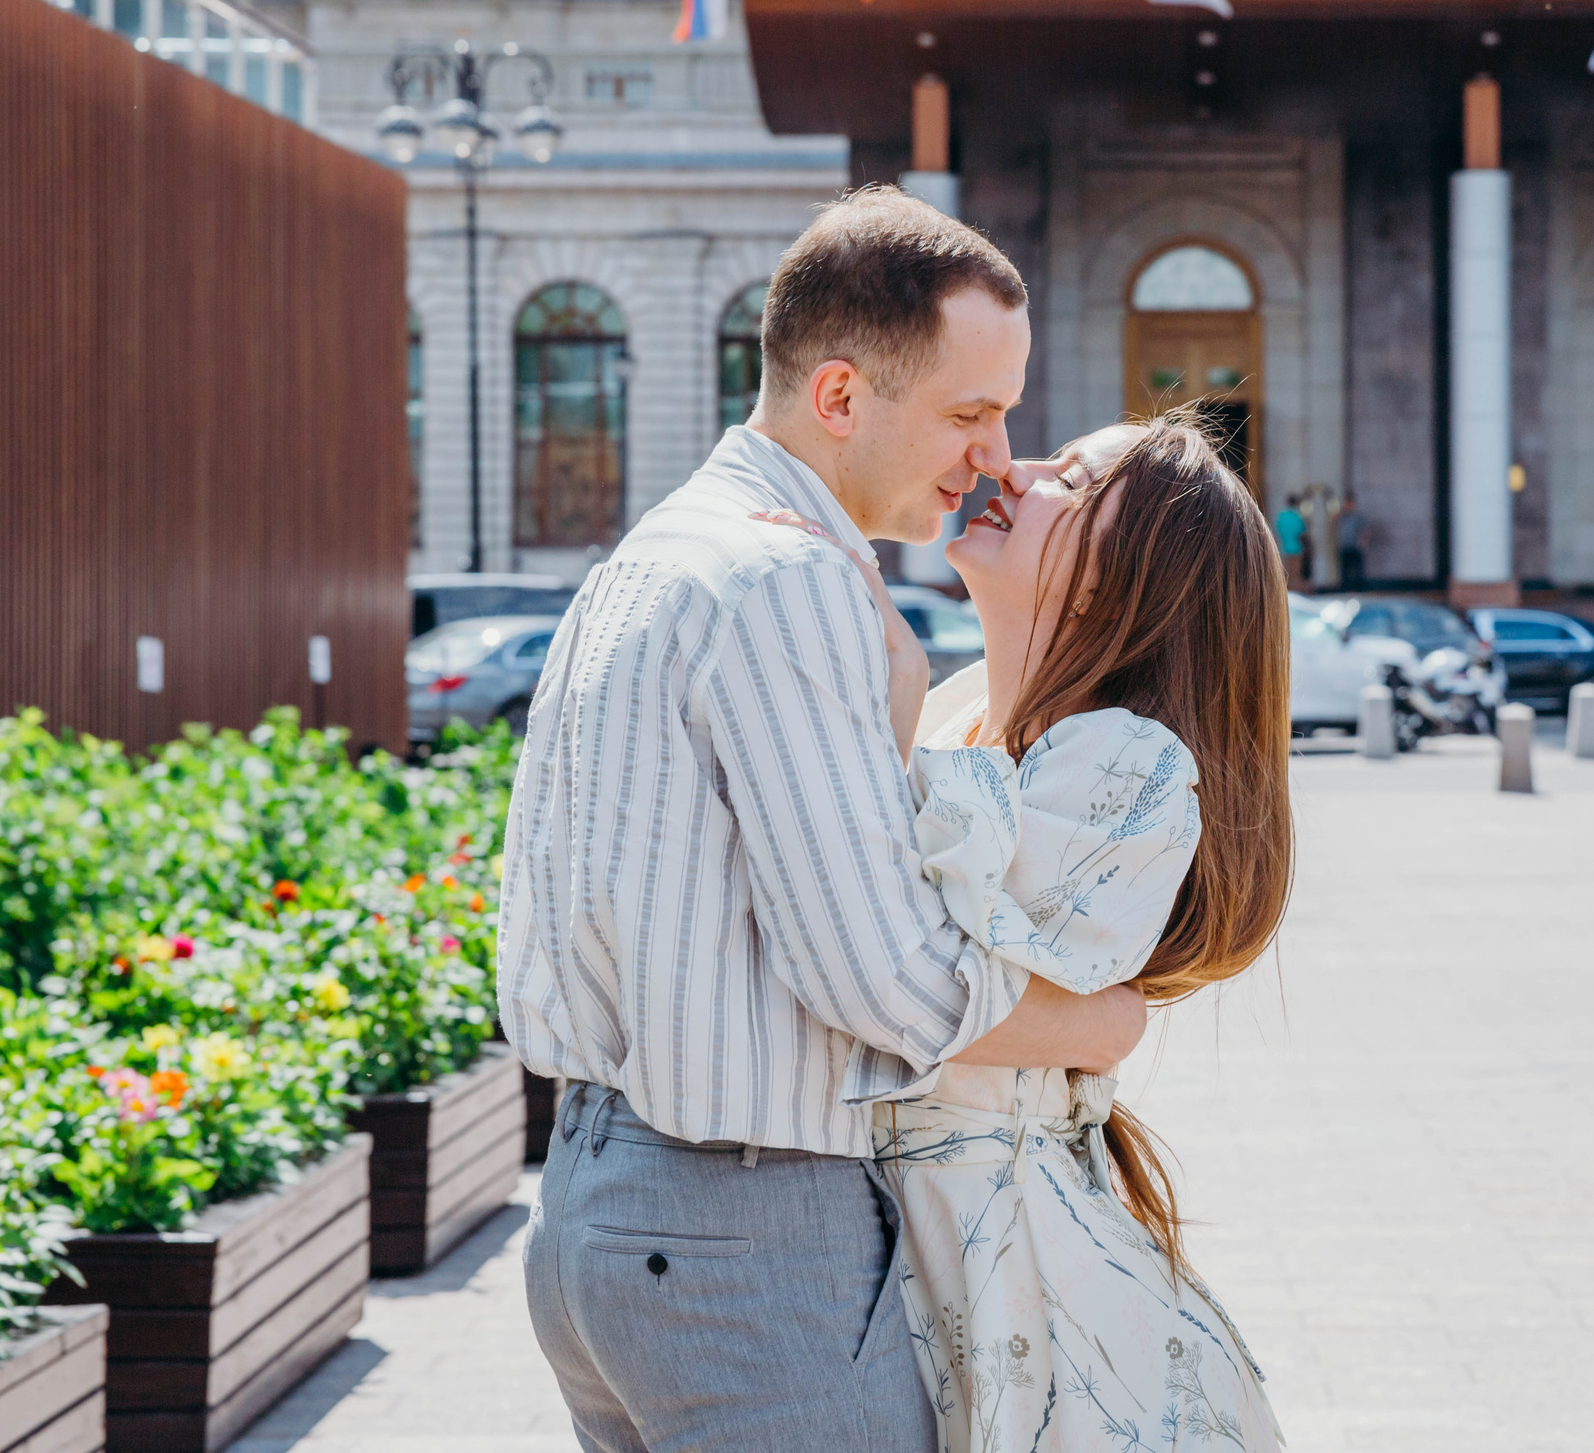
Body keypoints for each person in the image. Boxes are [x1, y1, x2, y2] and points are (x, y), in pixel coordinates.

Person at [500, 188, 1149, 1453]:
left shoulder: (655, 554)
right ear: (840, 397)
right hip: (742, 1233)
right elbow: (886, 978)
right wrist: (1098, 1024)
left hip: (598, 1211)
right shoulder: (786, 576)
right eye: (969, 413)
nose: (996, 456)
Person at [880, 412, 1290, 1452]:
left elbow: (897, 955)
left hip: (1010, 1275)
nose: (1010, 470)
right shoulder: (964, 710)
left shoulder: (1126, 759)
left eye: (1070, 477)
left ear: (1124, 581)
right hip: (917, 1242)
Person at [1273, 492, 1309, 592]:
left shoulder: (1281, 516)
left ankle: (1288, 592)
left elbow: (1277, 532)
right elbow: (1303, 532)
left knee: (1287, 572)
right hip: (1297, 548)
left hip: (1285, 548)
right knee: (1296, 573)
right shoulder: (1298, 516)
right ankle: (1296, 592)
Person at [1336, 488, 1366, 591]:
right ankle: (1345, 589)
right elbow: (1333, 522)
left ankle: (1358, 588)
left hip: (1355, 545)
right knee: (1344, 570)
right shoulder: (1342, 515)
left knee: (1357, 569)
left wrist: (1363, 542)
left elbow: (1364, 529)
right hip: (1344, 545)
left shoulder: (1358, 515)